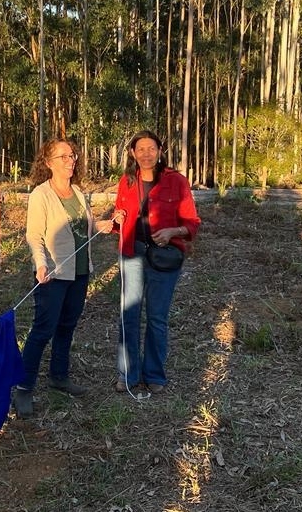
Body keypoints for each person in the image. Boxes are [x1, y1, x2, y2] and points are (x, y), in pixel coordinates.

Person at [13, 138, 117, 417]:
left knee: (67, 326)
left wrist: (101, 225)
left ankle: (59, 376)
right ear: (48, 163)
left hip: (80, 272)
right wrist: (40, 263)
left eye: (72, 156)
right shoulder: (41, 195)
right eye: (63, 157)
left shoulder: (78, 192)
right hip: (53, 274)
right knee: (42, 331)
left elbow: (84, 226)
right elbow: (34, 235)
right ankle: (23, 387)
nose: (71, 161)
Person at [106, 130, 200, 394]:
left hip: (164, 257)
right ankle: (128, 375)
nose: (146, 154)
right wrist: (118, 218)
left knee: (157, 318)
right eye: (140, 149)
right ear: (133, 154)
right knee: (129, 316)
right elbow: (119, 217)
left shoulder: (177, 182)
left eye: (151, 148)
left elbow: (192, 222)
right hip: (132, 254)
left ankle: (155, 375)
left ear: (160, 150)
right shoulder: (126, 181)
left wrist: (173, 232)